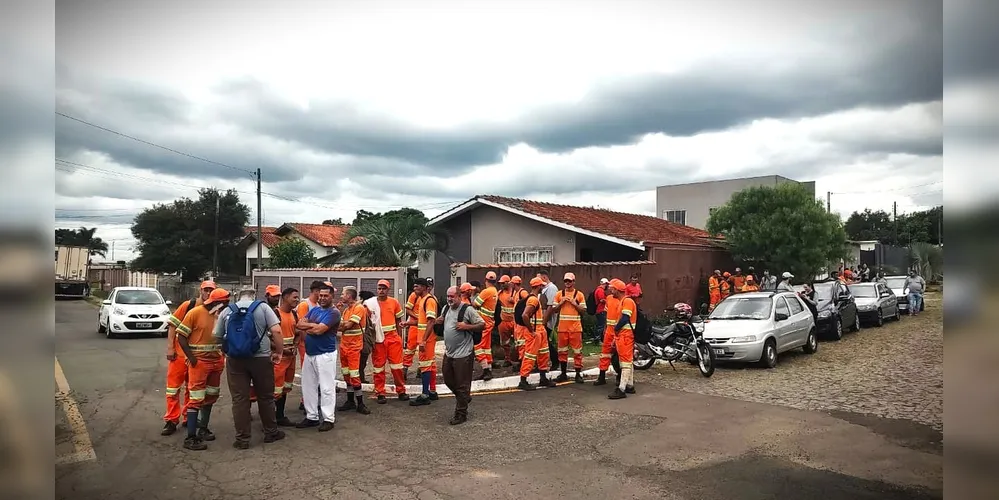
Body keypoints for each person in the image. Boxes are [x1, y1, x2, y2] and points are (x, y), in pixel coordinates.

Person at [215, 287, 285, 449]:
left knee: (240, 399)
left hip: (235, 360)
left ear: (238, 296)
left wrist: (226, 350)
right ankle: (270, 432)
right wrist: (279, 352)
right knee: (266, 397)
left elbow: (218, 335)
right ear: (254, 296)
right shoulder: (263, 307)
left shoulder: (228, 311)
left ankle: (242, 439)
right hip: (261, 358)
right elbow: (276, 330)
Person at [176, 288, 231, 451]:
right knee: (196, 398)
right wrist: (192, 358)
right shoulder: (195, 313)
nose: (227, 306)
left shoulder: (220, 315)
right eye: (225, 303)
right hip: (199, 363)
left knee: (211, 396)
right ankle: (191, 437)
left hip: (216, 362)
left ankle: (203, 428)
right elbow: (181, 336)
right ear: (215, 303)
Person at [162, 280, 215, 436]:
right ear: (200, 290)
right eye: (206, 290)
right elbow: (173, 325)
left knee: (192, 389)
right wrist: (171, 348)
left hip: (196, 357)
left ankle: (187, 418)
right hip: (179, 355)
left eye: (211, 290)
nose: (208, 293)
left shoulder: (212, 310)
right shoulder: (188, 305)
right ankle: (171, 420)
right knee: (173, 388)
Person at [437, 286, 485, 425]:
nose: (449, 299)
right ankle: (464, 397)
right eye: (448, 296)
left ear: (459, 296)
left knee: (462, 384)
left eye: (452, 296)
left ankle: (461, 414)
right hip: (449, 352)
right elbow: (442, 322)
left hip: (464, 354)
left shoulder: (467, 310)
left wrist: (467, 327)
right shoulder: (446, 308)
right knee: (448, 380)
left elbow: (482, 324)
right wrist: (438, 321)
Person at [296, 283, 341, 432]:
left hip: (325, 354)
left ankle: (328, 418)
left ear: (332, 296)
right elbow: (299, 324)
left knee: (327, 387)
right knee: (308, 386)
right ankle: (312, 416)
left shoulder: (334, 313)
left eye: (325, 296)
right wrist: (313, 327)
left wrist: (311, 326)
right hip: (310, 354)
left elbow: (320, 330)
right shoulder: (314, 310)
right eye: (320, 295)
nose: (322, 298)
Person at [367, 279, 409, 404]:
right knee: (378, 368)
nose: (381, 291)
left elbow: (398, 321)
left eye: (383, 288)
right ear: (377, 289)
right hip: (378, 340)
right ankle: (380, 392)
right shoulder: (370, 303)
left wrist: (400, 339)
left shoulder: (394, 302)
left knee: (397, 367)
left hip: (392, 338)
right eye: (379, 288)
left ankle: (401, 391)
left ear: (388, 290)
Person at [547, 272, 586, 384]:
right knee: (562, 351)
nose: (567, 283)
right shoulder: (559, 294)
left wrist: (574, 304)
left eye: (569, 281)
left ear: (574, 282)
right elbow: (554, 309)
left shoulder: (579, 295)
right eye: (566, 281)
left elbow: (583, 311)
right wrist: (561, 302)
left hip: (575, 328)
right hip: (562, 328)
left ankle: (578, 373)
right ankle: (563, 373)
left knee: (577, 352)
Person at [337, 286, 371, 415]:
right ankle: (350, 401)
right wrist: (339, 326)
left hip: (354, 347)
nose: (341, 296)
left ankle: (360, 403)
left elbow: (347, 326)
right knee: (346, 374)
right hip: (344, 346)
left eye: (343, 294)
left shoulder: (359, 308)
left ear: (349, 296)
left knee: (355, 375)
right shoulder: (346, 310)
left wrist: (337, 327)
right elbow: (342, 325)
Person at [519, 277, 555, 391]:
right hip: (535, 333)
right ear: (538, 286)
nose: (543, 288)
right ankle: (523, 380)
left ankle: (543, 378)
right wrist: (531, 331)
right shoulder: (533, 300)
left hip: (540, 332)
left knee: (543, 355)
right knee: (530, 356)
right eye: (542, 286)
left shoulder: (534, 299)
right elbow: (525, 315)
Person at [409, 278, 440, 406]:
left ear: (424, 287)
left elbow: (431, 321)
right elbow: (423, 321)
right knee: (430, 364)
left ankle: (425, 394)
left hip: (426, 339)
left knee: (425, 365)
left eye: (417, 286)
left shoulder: (429, 300)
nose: (415, 288)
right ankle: (432, 391)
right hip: (426, 338)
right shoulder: (423, 300)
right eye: (414, 286)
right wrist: (408, 323)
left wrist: (423, 340)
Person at [605, 279, 637, 399]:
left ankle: (621, 389)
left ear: (617, 290)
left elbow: (624, 318)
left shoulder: (627, 301)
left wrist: (616, 330)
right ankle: (629, 385)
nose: (610, 291)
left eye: (612, 289)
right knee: (628, 361)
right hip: (623, 335)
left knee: (625, 362)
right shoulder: (624, 301)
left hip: (625, 335)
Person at [273, 287, 301, 426]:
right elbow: (268, 337)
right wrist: (282, 349)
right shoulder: (275, 314)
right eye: (294, 297)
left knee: (285, 388)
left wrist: (295, 345)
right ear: (284, 298)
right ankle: (270, 420)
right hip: (278, 359)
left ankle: (280, 416)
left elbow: (298, 332)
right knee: (275, 389)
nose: (297, 300)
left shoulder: (295, 315)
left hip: (290, 358)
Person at [295, 280, 324, 412]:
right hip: (306, 344)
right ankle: (305, 400)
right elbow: (301, 326)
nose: (322, 295)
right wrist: (307, 343)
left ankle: (313, 399)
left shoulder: (317, 305)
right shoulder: (304, 305)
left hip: (316, 343)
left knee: (316, 373)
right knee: (308, 374)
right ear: (316, 291)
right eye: (321, 292)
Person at [471, 271, 499, 381]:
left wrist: (472, 294)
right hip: (489, 322)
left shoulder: (486, 291)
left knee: (477, 346)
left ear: (485, 280)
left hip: (483, 322)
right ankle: (488, 369)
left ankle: (486, 369)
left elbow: (475, 304)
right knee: (486, 347)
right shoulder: (494, 291)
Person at [495, 275, 517, 367]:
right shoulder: (499, 293)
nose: (502, 285)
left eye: (503, 283)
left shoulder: (516, 293)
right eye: (500, 283)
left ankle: (520, 359)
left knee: (518, 341)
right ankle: (507, 359)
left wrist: (514, 301)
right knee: (504, 342)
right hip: (503, 321)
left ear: (508, 283)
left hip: (514, 321)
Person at [358, 290, 377, 384]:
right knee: (362, 359)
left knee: (362, 359)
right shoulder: (365, 308)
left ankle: (360, 377)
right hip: (364, 338)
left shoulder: (361, 307)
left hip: (363, 337)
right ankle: (360, 378)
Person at [592, 278, 610, 343]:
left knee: (600, 325)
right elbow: (601, 300)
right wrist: (609, 300)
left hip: (600, 310)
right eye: (607, 284)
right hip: (601, 310)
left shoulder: (598, 290)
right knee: (601, 325)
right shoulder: (600, 290)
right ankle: (597, 339)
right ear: (604, 284)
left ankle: (598, 338)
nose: (607, 286)